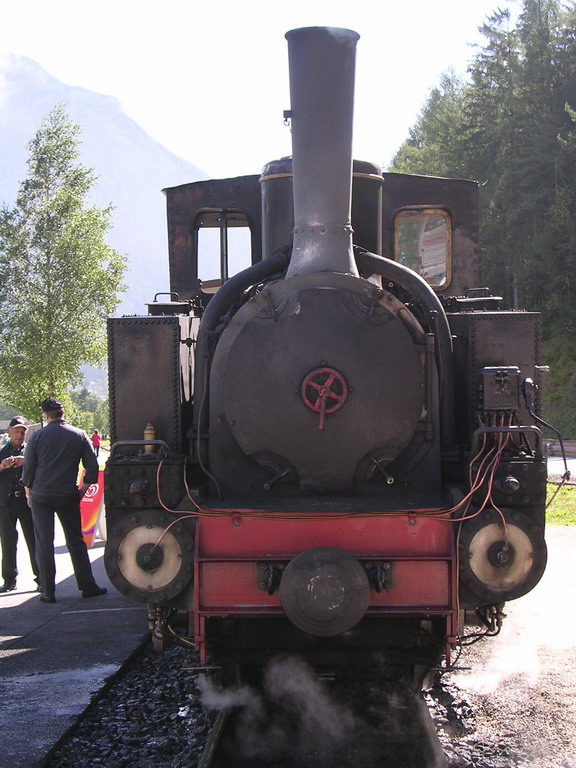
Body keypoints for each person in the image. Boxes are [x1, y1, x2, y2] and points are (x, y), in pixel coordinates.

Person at [22, 397, 107, 604]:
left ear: (46, 416)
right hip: (67, 494)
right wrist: (82, 491)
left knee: (44, 542)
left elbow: (29, 469)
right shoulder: (79, 434)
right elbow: (92, 467)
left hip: (41, 494)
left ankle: (47, 591)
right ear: (63, 413)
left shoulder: (37, 436)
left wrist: (29, 493)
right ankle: (87, 586)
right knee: (76, 540)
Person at [0, 417, 40, 592]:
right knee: (8, 542)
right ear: (9, 432)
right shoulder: (2, 452)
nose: (19, 435)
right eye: (16, 431)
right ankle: (9, 579)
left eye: (22, 432)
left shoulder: (31, 452)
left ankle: (41, 578)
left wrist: (25, 461)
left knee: (34, 541)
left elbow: (41, 469)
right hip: (6, 503)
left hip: (26, 502)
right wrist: (2, 466)